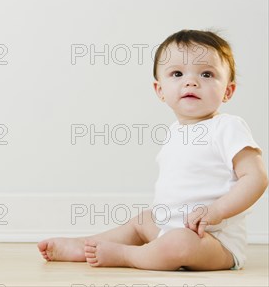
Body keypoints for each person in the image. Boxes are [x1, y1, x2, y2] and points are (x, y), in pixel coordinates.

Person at [38, 29, 268, 270]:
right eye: (177, 73)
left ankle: (128, 256)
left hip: (213, 242)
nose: (191, 81)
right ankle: (84, 245)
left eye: (207, 74)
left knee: (180, 242)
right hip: (170, 228)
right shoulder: (173, 132)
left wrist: (217, 210)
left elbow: (256, 177)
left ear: (228, 91)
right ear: (160, 90)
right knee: (143, 220)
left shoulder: (228, 127)